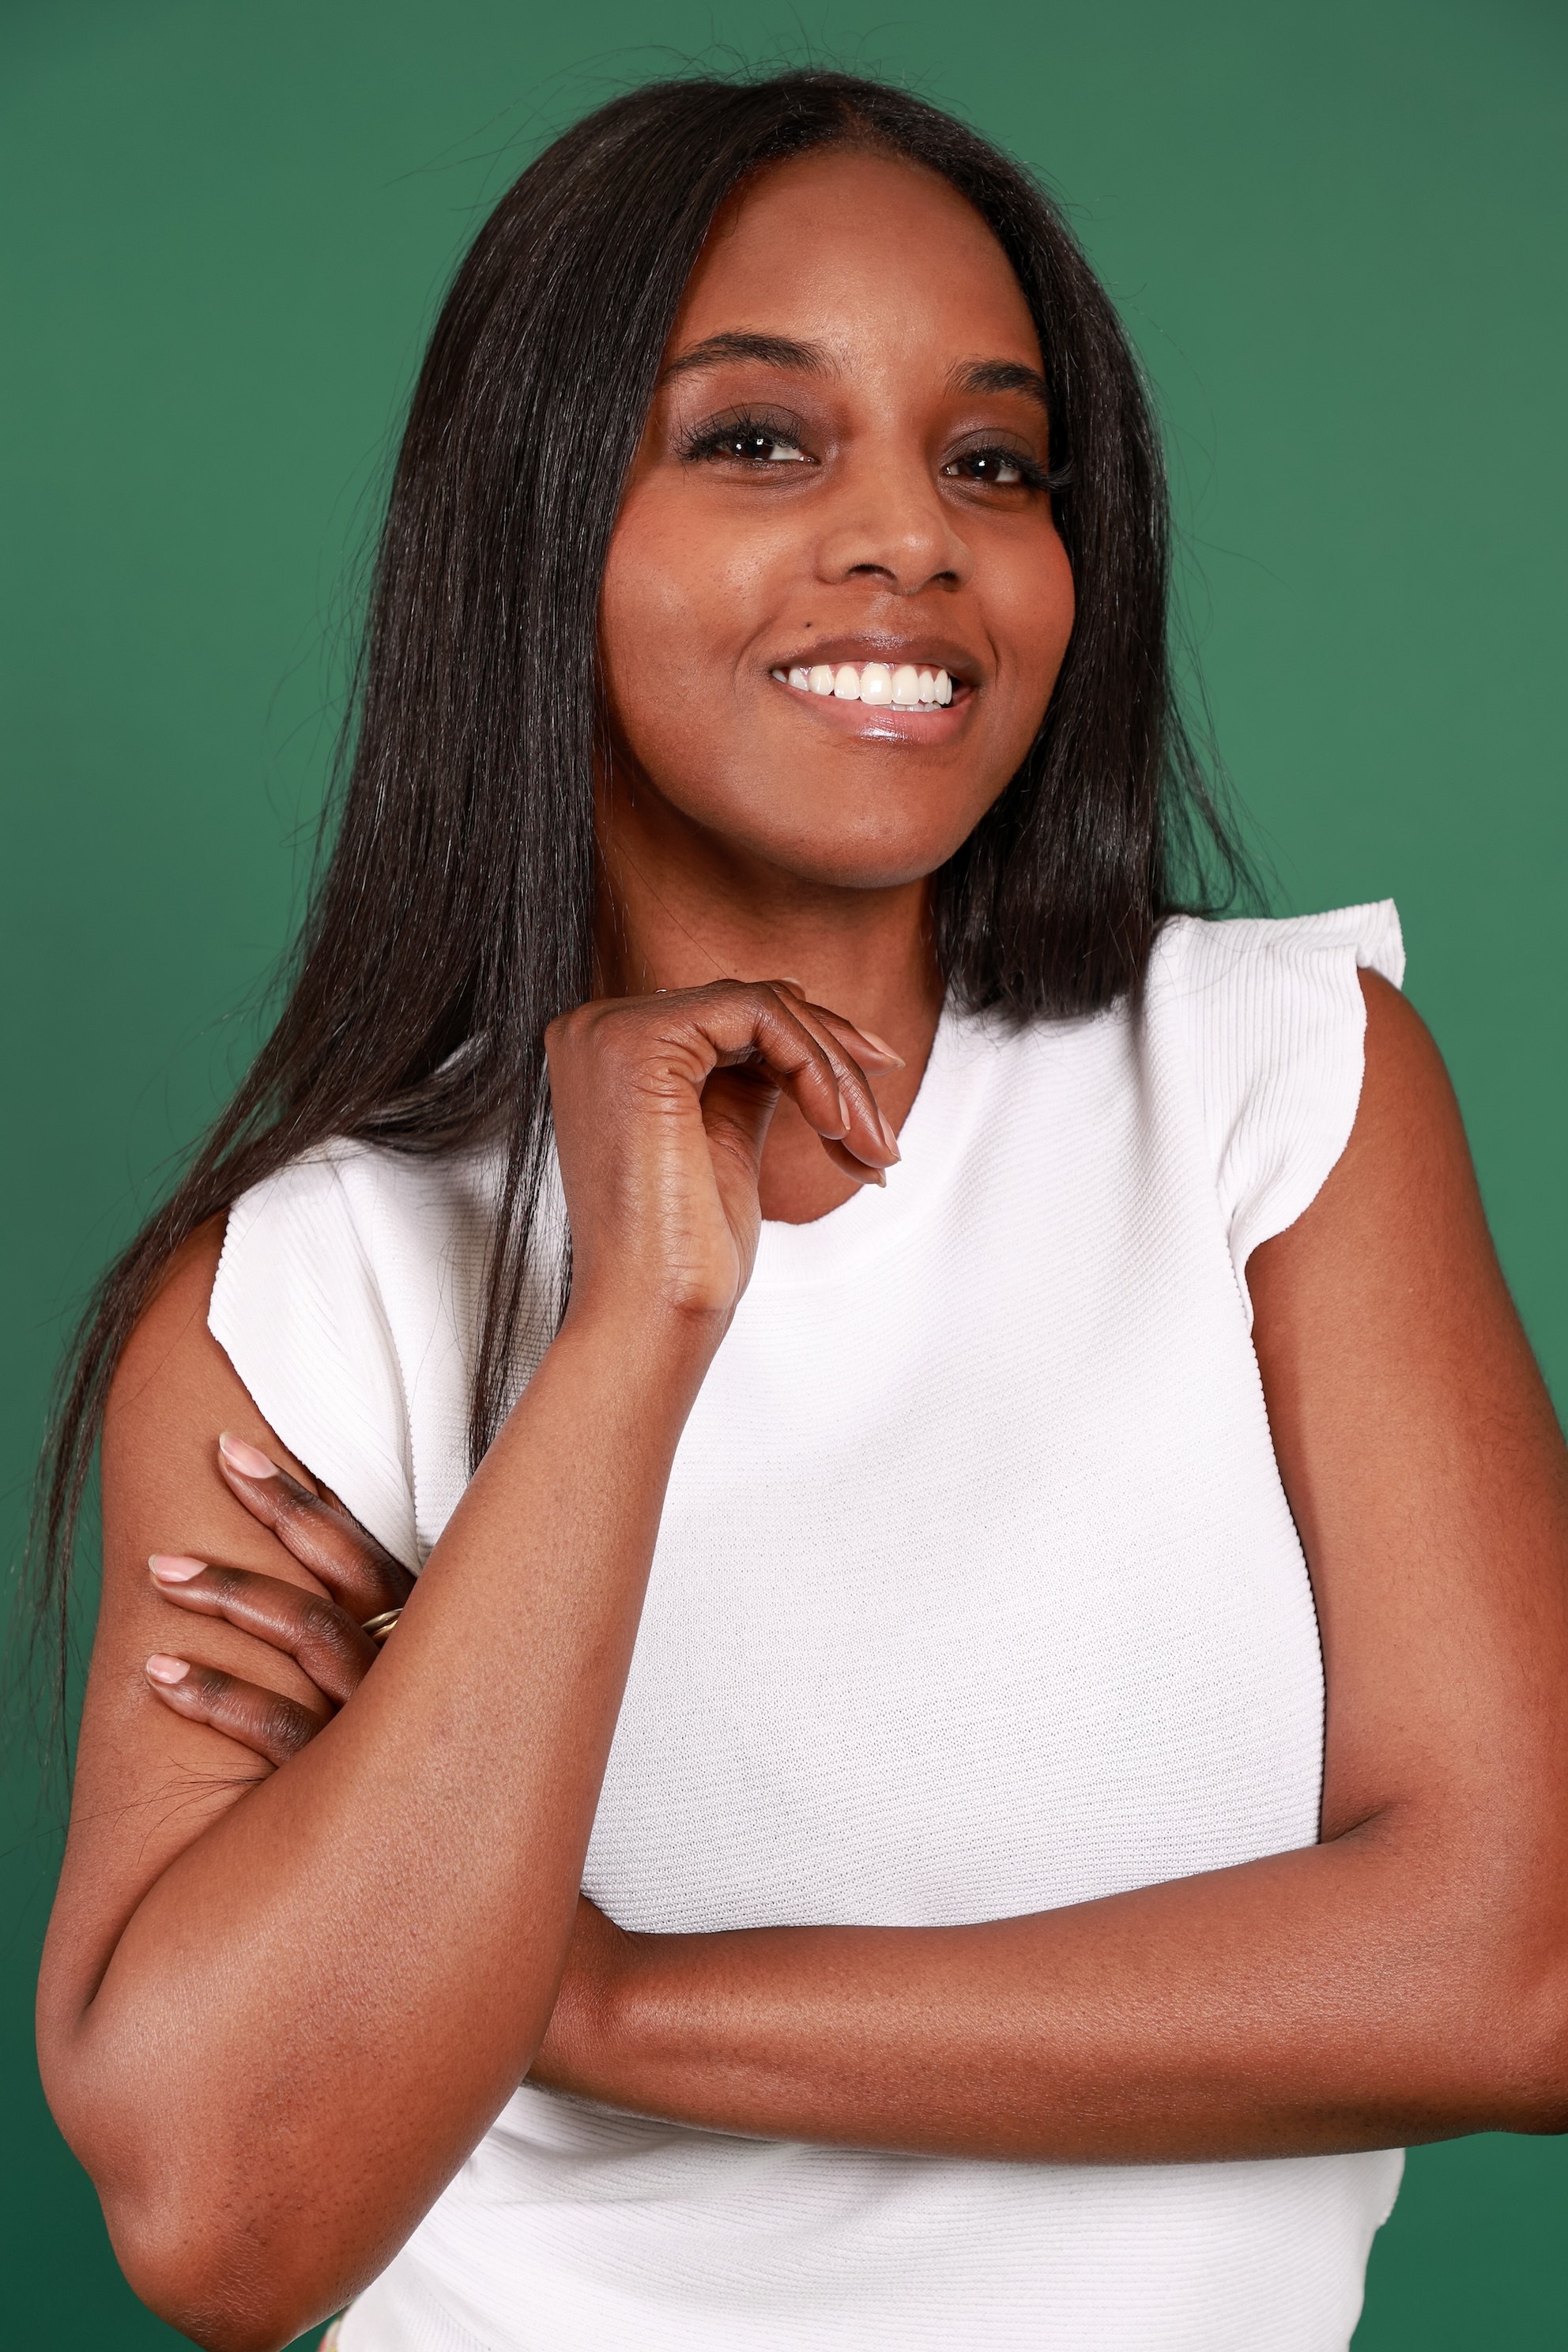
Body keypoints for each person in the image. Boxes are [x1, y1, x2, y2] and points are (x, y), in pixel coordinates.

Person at [30, 67, 1568, 2352]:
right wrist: (635, 1316)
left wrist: (583, 1996)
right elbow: (226, 2226)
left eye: (994, 462)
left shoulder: (1278, 1089)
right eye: (759, 439)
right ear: (543, 526)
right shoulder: (316, 1289)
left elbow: (1518, 1968)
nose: (911, 538)